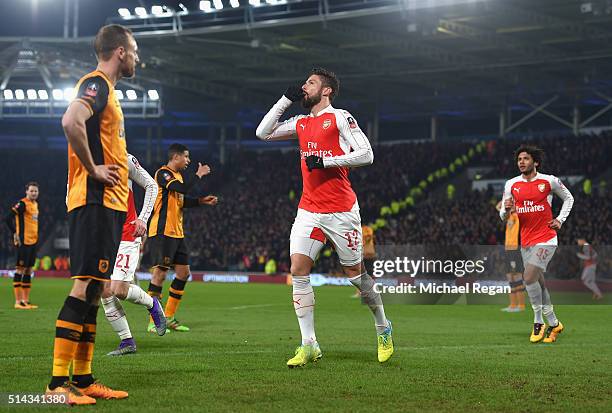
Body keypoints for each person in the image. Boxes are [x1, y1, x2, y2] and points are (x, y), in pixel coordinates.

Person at [256, 67, 393, 367]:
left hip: (341, 211)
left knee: (356, 276)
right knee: (298, 269)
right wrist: (283, 100)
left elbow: (367, 154)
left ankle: (383, 327)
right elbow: (262, 132)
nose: (305, 87)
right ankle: (309, 344)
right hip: (308, 210)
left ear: (326, 90)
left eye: (311, 83)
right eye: (304, 82)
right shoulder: (302, 122)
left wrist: (328, 161)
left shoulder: (341, 117)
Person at [45, 24, 139, 405]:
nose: (137, 57)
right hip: (94, 200)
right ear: (119, 51)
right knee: (84, 286)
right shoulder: (96, 83)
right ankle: (55, 386)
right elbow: (70, 121)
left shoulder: (109, 92)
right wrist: (94, 168)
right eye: (133, 50)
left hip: (111, 204)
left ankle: (82, 380)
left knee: (96, 289)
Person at [500, 144, 574, 344]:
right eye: (519, 160)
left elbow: (569, 198)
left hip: (547, 237)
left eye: (525, 159)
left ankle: (538, 321)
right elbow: (503, 215)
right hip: (526, 240)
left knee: (529, 276)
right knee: (538, 283)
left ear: (535, 162)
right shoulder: (511, 184)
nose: (521, 162)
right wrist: (506, 210)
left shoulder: (549, 181)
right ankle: (555, 323)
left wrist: (560, 219)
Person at [146, 143, 218, 332]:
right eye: (186, 157)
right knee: (159, 275)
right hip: (162, 232)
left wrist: (201, 201)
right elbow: (184, 188)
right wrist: (198, 174)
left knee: (183, 273)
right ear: (175, 157)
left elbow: (181, 200)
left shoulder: (177, 177)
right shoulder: (163, 174)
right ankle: (154, 322)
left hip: (177, 233)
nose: (188, 160)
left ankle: (168, 317)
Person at [101, 153, 167, 356]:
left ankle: (152, 303)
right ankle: (127, 341)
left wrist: (143, 219)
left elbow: (152, 186)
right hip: (101, 235)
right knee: (103, 290)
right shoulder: (83, 159)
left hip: (126, 233)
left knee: (119, 289)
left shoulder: (124, 159)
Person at [5, 182, 40, 309]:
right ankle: (18, 301)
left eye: (36, 191)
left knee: (29, 270)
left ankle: (25, 300)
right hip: (23, 242)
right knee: (20, 269)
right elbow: (7, 218)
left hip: (33, 241)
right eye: (31, 191)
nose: (34, 193)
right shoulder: (22, 204)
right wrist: (15, 233)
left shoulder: (35, 204)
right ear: (26, 191)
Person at [496, 201, 525, 312]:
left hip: (515, 250)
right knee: (510, 277)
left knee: (517, 276)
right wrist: (506, 199)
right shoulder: (509, 216)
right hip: (508, 250)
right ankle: (512, 305)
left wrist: (514, 204)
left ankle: (521, 306)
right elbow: (498, 207)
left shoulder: (518, 216)